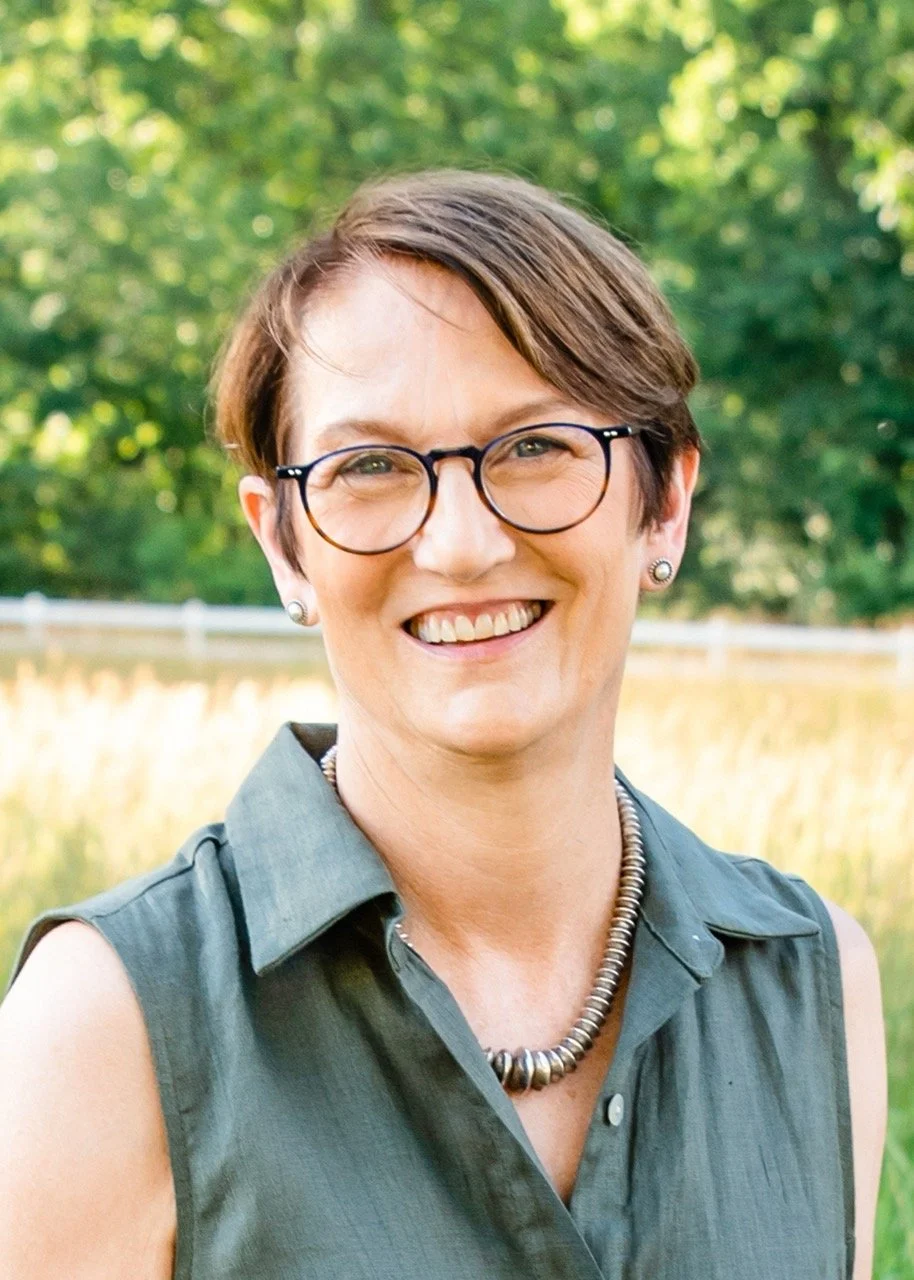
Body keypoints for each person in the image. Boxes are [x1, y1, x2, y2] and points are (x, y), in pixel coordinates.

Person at [0, 170, 886, 1279]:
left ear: (663, 501)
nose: (460, 543)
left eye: (534, 447)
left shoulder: (812, 987)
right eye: (369, 466)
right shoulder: (104, 1024)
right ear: (285, 545)